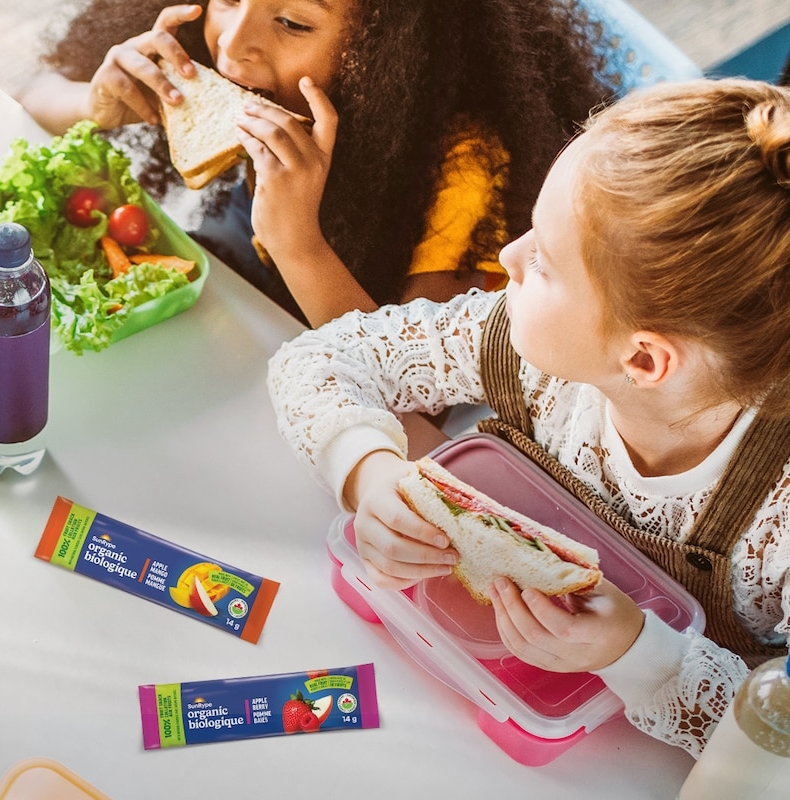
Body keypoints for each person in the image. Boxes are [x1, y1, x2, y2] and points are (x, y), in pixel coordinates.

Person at [266, 77, 790, 757]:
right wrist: (369, 473)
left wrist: (640, 653)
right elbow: (322, 358)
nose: (508, 256)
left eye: (541, 258)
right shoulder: (527, 349)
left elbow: (774, 739)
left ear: (644, 360)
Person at [17, 0, 608, 326]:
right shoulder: (201, 36)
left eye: (293, 22)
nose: (232, 44)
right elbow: (32, 93)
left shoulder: (467, 168)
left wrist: (298, 243)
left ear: (387, 47)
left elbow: (413, 394)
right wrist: (94, 105)